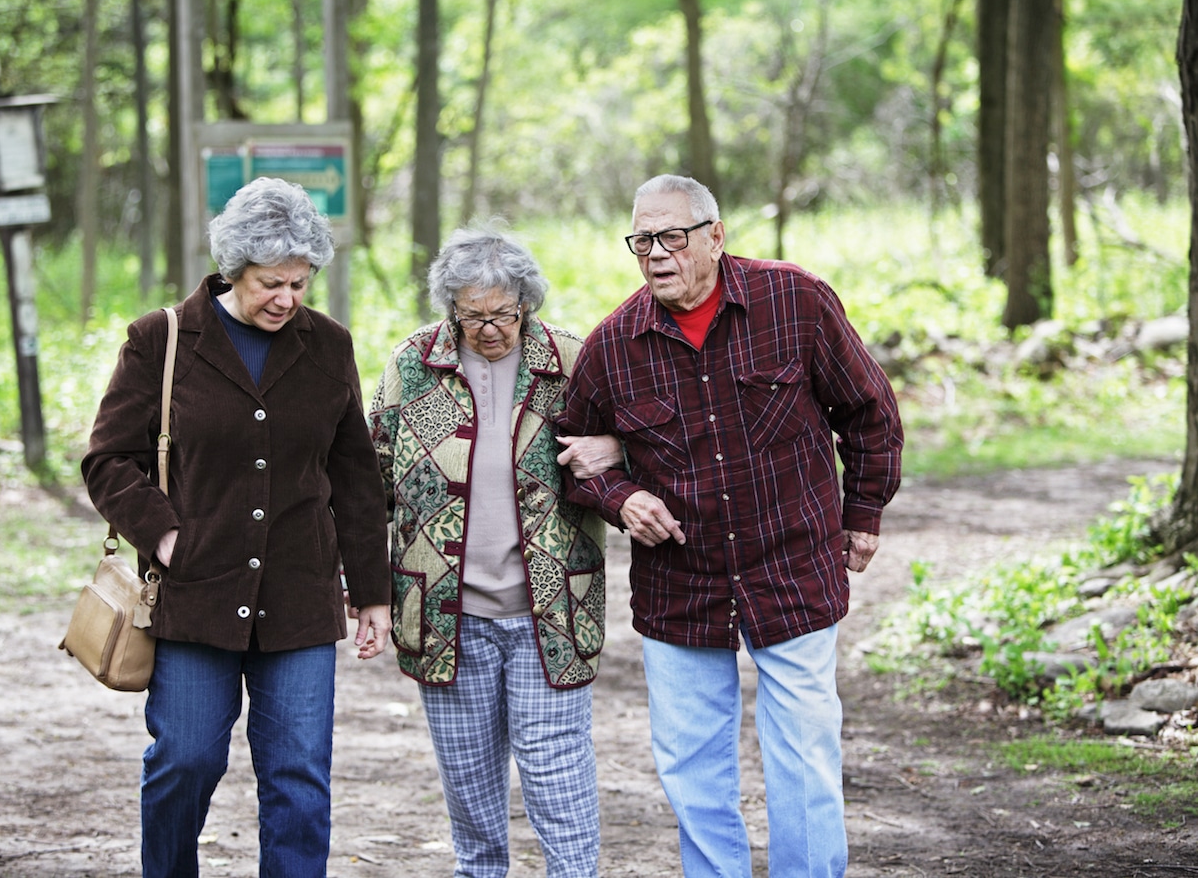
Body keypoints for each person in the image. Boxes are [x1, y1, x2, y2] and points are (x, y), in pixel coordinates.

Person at [556, 174, 904, 878]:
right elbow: (572, 458)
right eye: (642, 241)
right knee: (692, 765)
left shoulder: (795, 300)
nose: (657, 254)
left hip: (791, 563)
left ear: (715, 236)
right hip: (682, 584)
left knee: (804, 750)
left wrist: (863, 511)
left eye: (672, 237)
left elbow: (868, 410)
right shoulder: (613, 345)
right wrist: (622, 497)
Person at [82, 176, 392, 878]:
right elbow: (108, 459)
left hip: (301, 599)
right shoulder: (162, 339)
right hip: (196, 595)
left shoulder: (329, 345)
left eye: (300, 283)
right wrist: (163, 534)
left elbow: (355, 476)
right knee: (184, 761)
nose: (287, 298)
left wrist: (372, 591)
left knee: (299, 779)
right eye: (270, 283)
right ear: (233, 269)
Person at [369, 225, 612, 878]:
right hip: (445, 615)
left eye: (503, 314)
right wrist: (360, 581)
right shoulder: (413, 365)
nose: (489, 330)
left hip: (550, 611)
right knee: (469, 780)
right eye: (471, 316)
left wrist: (615, 450)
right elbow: (373, 478)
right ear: (451, 307)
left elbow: (626, 445)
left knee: (556, 767)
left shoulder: (571, 360)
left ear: (526, 302)